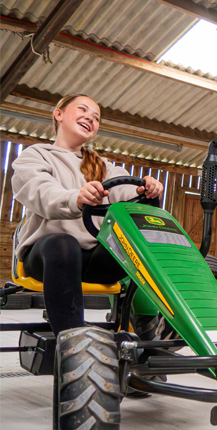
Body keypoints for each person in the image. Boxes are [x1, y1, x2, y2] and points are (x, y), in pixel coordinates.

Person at [12, 94, 163, 337]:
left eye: (96, 117)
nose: (90, 118)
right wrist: (75, 198)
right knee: (63, 243)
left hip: (94, 258)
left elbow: (123, 191)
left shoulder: (104, 166)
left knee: (139, 248)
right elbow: (39, 191)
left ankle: (149, 335)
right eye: (83, 110)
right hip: (49, 257)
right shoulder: (36, 155)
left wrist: (144, 189)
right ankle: (73, 342)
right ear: (58, 114)